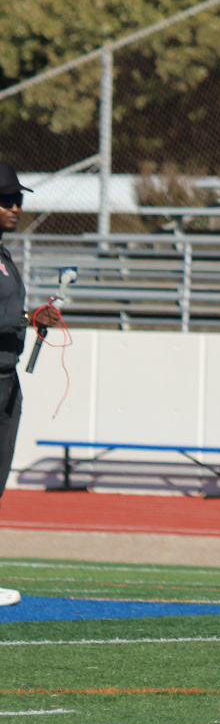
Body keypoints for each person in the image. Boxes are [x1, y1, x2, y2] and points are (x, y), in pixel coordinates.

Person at [0, 163, 62, 609]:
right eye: (5, 199)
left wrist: (31, 318)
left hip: (7, 378)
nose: (14, 207)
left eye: (18, 199)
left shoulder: (4, 256)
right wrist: (28, 317)